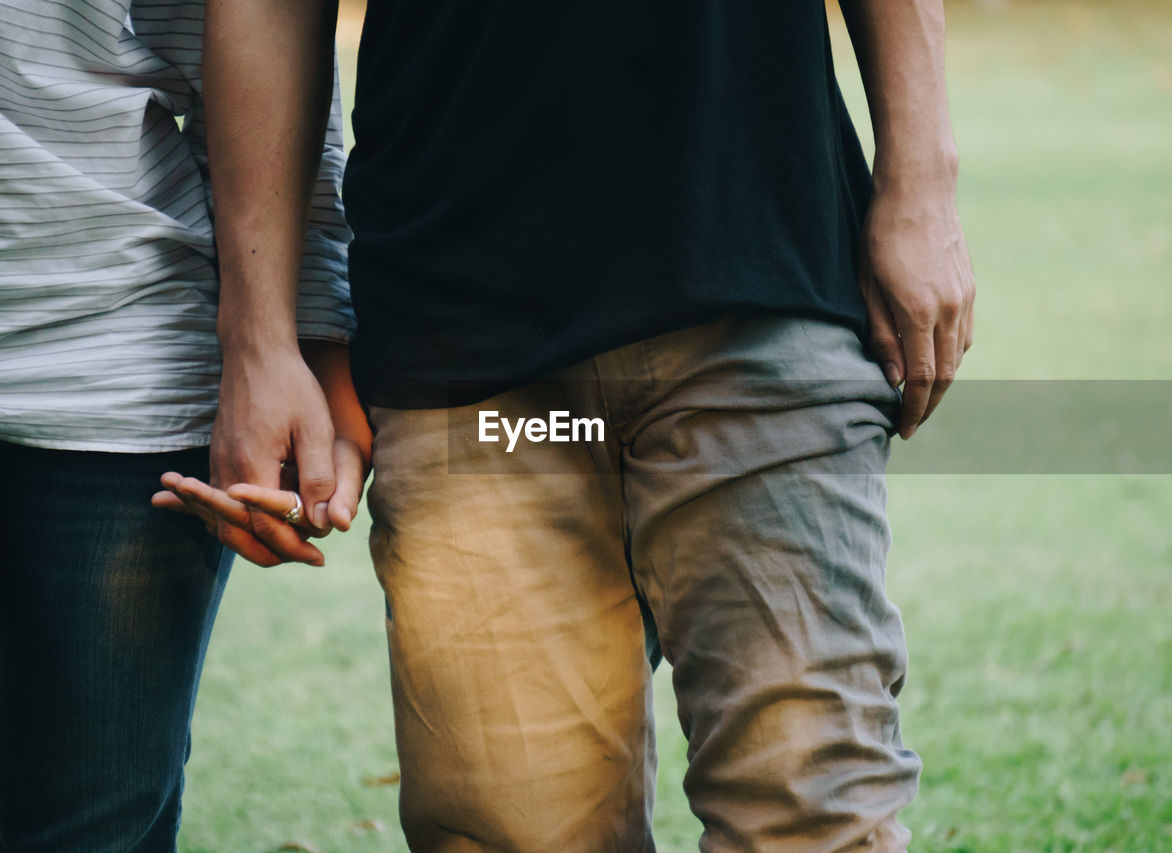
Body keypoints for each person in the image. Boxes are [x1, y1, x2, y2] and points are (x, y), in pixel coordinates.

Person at [182, 0, 976, 849]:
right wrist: (257, 339)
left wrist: (922, 178)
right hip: (465, 344)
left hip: (759, 280)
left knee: (815, 819)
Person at [0, 1, 364, 849]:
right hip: (117, 359)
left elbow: (267, 29)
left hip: (109, 363)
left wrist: (297, 343)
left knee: (90, 822)